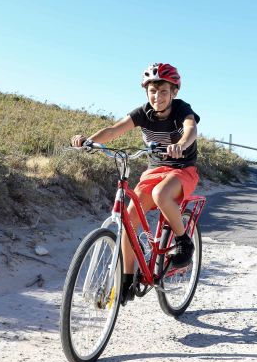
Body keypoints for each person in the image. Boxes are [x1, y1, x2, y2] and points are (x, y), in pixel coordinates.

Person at [71, 63, 200, 305]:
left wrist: (180, 146)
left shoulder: (182, 109)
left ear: (174, 92)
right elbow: (113, 130)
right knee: (128, 220)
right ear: (146, 92)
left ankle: (184, 242)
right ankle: (128, 278)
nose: (157, 96)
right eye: (152, 91)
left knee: (162, 195)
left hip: (183, 170)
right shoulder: (143, 113)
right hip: (154, 170)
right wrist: (88, 141)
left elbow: (190, 129)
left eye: (163, 92)